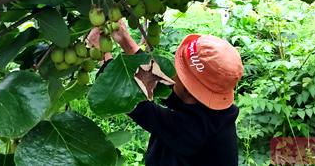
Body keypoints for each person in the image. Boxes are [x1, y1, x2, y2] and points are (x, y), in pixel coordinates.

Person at [88, 22, 244, 166]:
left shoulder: (193, 130)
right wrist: (126, 41)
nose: (173, 76)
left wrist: (104, 56)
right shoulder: (213, 113)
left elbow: (133, 103)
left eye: (180, 74)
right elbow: (162, 84)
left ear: (189, 91)